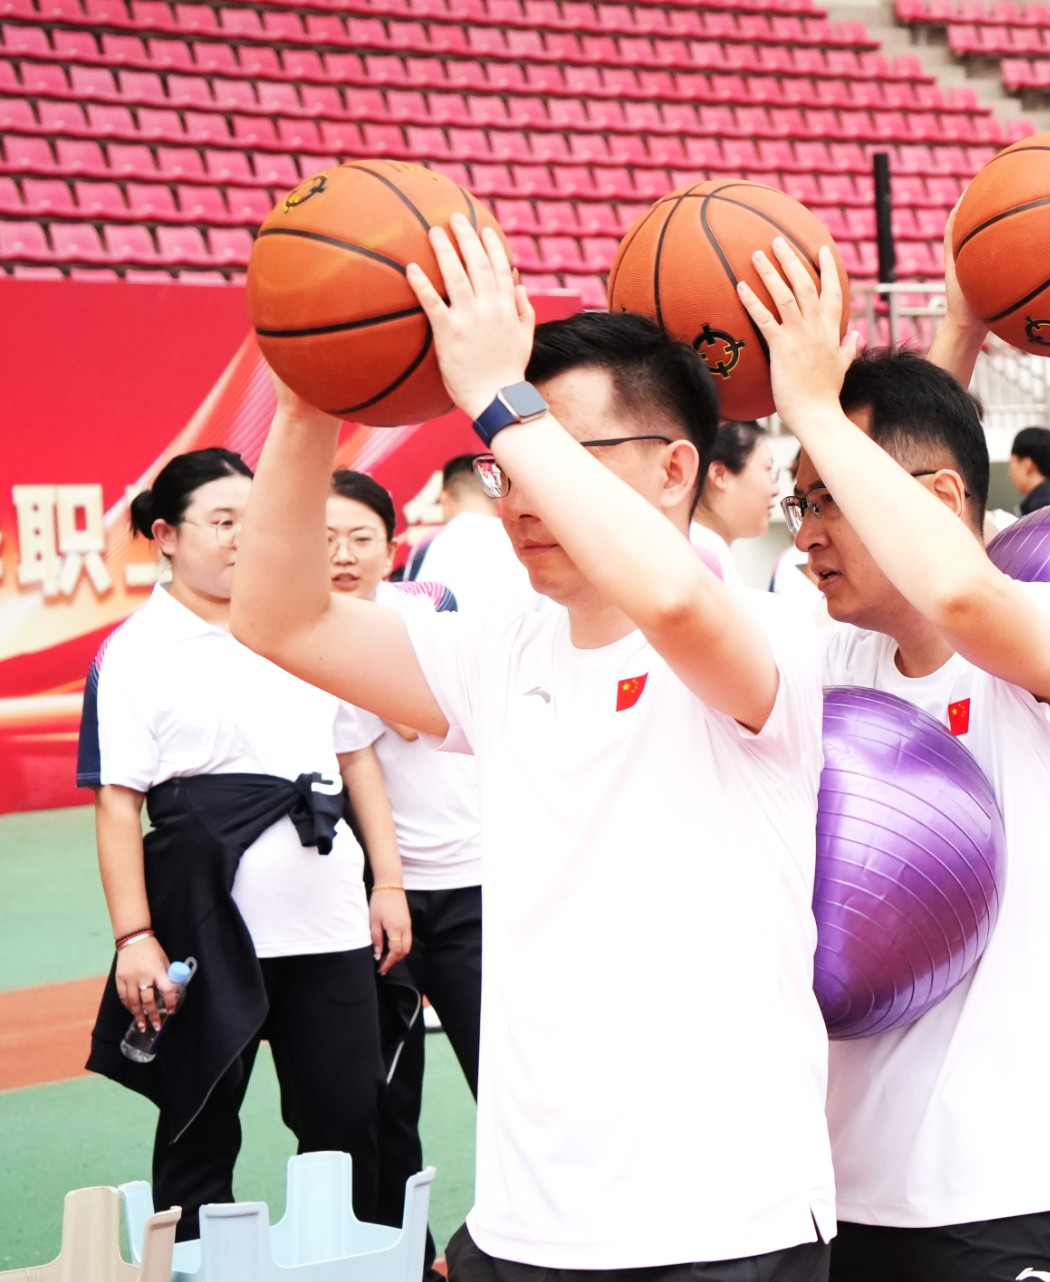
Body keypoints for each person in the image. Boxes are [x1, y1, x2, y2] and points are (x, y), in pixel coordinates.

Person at [231, 214, 833, 1281]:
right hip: (523, 1228)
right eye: (500, 466)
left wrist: (499, 398)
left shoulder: (767, 635)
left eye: (553, 455)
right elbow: (279, 619)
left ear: (674, 469)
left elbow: (671, 601)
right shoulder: (501, 653)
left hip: (720, 1225)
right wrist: (308, 405)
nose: (517, 496)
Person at [740, 238, 1050, 1281]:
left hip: (1014, 1189)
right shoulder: (831, 659)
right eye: (800, 504)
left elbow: (958, 589)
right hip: (844, 1186)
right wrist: (947, 333)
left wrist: (814, 405)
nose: (806, 536)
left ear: (946, 496)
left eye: (829, 499)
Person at [80, 447, 409, 1239]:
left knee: (347, 1115)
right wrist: (134, 937)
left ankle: (353, 1262)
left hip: (328, 921)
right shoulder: (134, 650)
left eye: (254, 521)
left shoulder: (307, 622)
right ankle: (195, 1262)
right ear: (166, 535)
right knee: (198, 1118)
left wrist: (389, 884)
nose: (242, 538)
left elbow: (356, 755)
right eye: (222, 521)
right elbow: (118, 803)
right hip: (204, 926)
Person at [326, 469, 488, 1259]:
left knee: (509, 1079)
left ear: (392, 546)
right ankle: (403, 1260)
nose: (342, 554)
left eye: (360, 537)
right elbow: (353, 758)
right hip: (371, 899)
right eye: (323, 539)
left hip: (476, 883)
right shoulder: (290, 633)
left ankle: (529, 1243)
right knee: (384, 1097)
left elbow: (423, 716)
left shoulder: (428, 604)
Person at [408, 453, 539, 619]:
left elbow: (414, 613)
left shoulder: (430, 544)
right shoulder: (526, 541)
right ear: (496, 500)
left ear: (443, 497)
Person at [691, 420, 781, 587]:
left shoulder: (697, 553)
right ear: (719, 475)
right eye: (768, 469)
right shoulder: (703, 563)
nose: (776, 489)